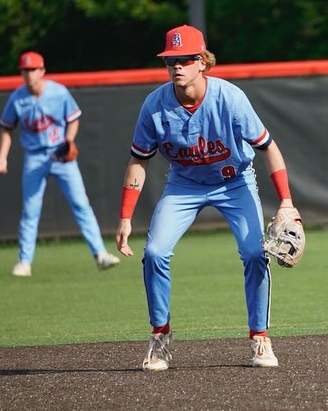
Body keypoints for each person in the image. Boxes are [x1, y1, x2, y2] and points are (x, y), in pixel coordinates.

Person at [115, 24, 300, 371]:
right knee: (154, 253)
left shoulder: (230, 98)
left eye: (185, 59)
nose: (177, 66)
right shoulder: (154, 105)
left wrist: (286, 201)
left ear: (202, 61)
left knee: (254, 254)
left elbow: (268, 147)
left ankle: (260, 337)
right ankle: (160, 337)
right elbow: (138, 160)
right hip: (183, 185)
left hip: (234, 182)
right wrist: (125, 217)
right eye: (171, 60)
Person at [0, 51, 121, 277]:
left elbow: (73, 119)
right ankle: (24, 262)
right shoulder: (17, 98)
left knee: (81, 204)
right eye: (25, 70)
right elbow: (6, 128)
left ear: (42, 71)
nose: (29, 74)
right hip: (34, 157)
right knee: (31, 210)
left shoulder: (58, 92)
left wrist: (69, 140)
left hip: (61, 155)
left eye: (33, 69)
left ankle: (101, 254)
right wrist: (2, 157)